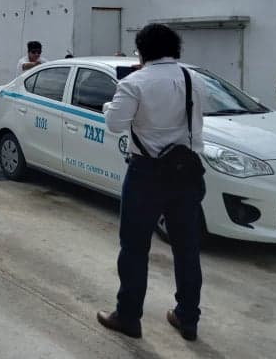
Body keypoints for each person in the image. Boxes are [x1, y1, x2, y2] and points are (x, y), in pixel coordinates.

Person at [97, 23, 206, 341]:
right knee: (187, 248)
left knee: (134, 248)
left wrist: (112, 102)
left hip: (146, 174)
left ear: (142, 51)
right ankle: (188, 319)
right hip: (187, 171)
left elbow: (114, 123)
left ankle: (128, 317)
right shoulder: (193, 79)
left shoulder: (134, 83)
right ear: (175, 49)